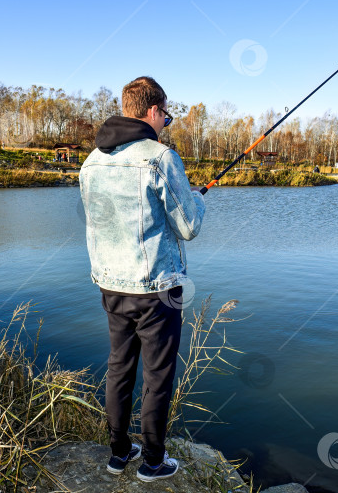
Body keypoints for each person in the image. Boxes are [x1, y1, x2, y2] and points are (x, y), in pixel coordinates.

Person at [80, 76, 205, 482]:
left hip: (111, 285)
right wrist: (198, 199)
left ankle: (119, 454)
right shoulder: (159, 157)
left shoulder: (91, 161)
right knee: (157, 376)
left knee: (119, 367)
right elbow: (188, 227)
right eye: (165, 116)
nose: (165, 123)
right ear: (152, 111)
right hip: (157, 290)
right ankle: (153, 461)